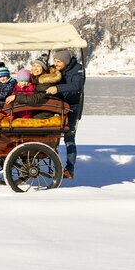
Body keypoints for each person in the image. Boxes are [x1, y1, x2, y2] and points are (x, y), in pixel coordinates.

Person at [45, 49, 85, 179]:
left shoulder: (78, 69)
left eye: (58, 61)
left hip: (72, 108)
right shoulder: (56, 69)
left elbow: (77, 86)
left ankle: (70, 169)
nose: (55, 63)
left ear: (66, 62)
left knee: (69, 138)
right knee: (51, 135)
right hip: (57, 106)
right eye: (54, 60)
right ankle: (53, 164)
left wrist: (57, 88)